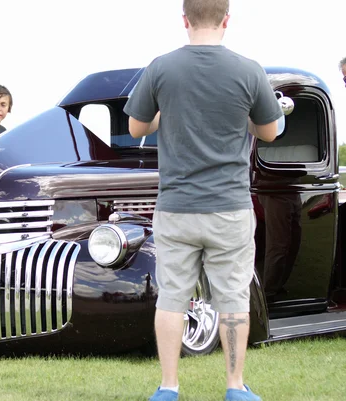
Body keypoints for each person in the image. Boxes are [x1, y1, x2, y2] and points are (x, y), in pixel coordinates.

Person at [123, 1, 283, 400]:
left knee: (173, 296)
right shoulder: (249, 69)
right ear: (227, 19)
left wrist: (167, 114)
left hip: (176, 206)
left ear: (184, 20)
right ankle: (234, 387)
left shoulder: (160, 67)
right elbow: (269, 132)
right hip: (229, 207)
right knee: (232, 297)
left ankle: (168, 387)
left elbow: (136, 126)